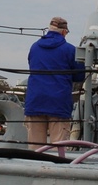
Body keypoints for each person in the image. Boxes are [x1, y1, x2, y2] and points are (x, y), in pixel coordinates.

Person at [24, 16, 86, 147]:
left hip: (35, 101)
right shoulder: (70, 50)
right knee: (58, 149)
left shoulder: (34, 47)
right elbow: (79, 76)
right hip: (59, 102)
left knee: (35, 150)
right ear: (64, 32)